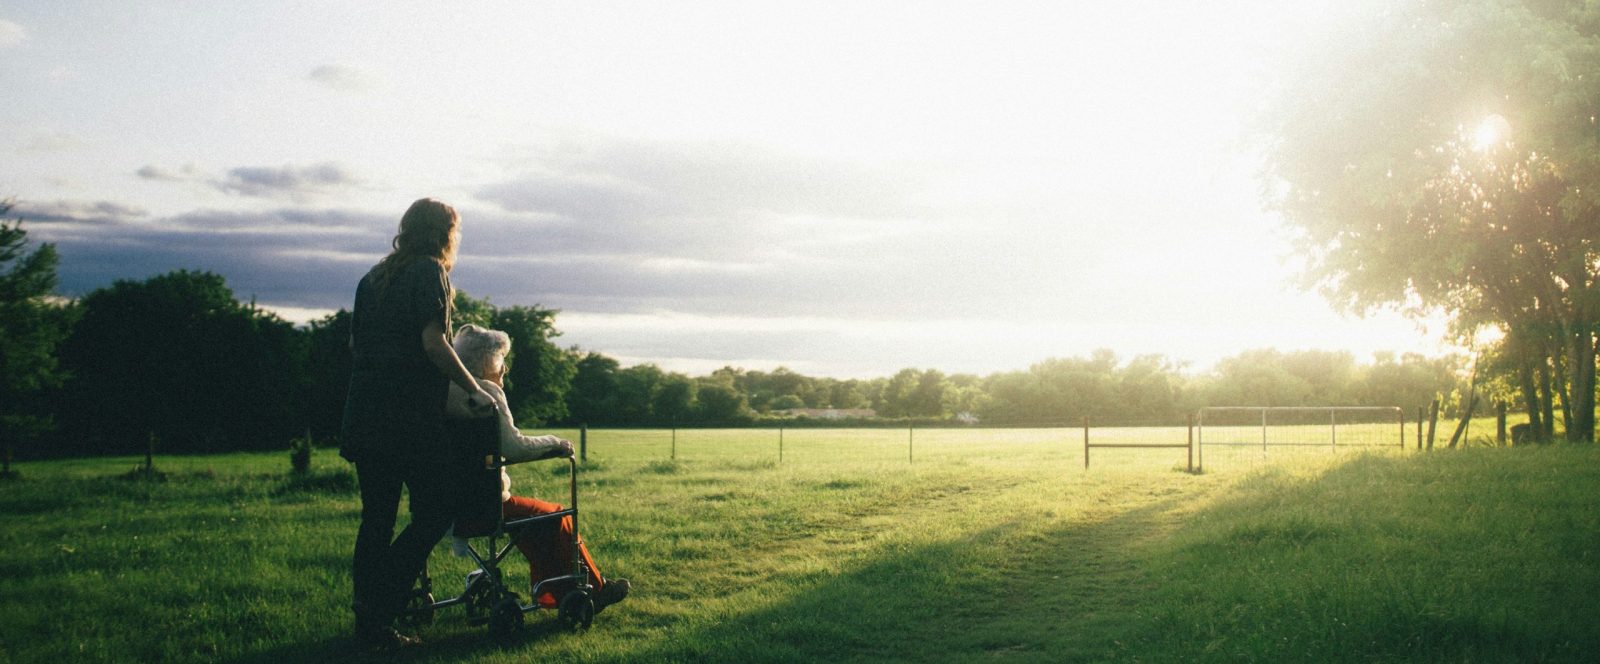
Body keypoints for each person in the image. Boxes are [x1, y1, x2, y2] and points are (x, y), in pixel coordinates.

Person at [339, 198, 495, 650]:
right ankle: (381, 604)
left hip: (364, 415)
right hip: (405, 420)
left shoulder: (373, 278)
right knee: (436, 511)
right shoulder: (430, 272)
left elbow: (356, 344)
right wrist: (474, 388)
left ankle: (369, 625)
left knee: (377, 520)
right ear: (445, 233)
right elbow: (434, 343)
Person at [444, 324, 631, 612]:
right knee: (555, 515)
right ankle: (593, 589)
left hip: (447, 504)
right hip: (485, 505)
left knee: (535, 519)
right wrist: (555, 443)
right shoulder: (487, 393)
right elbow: (515, 447)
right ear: (485, 361)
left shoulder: (446, 392)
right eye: (500, 359)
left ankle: (556, 592)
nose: (504, 367)